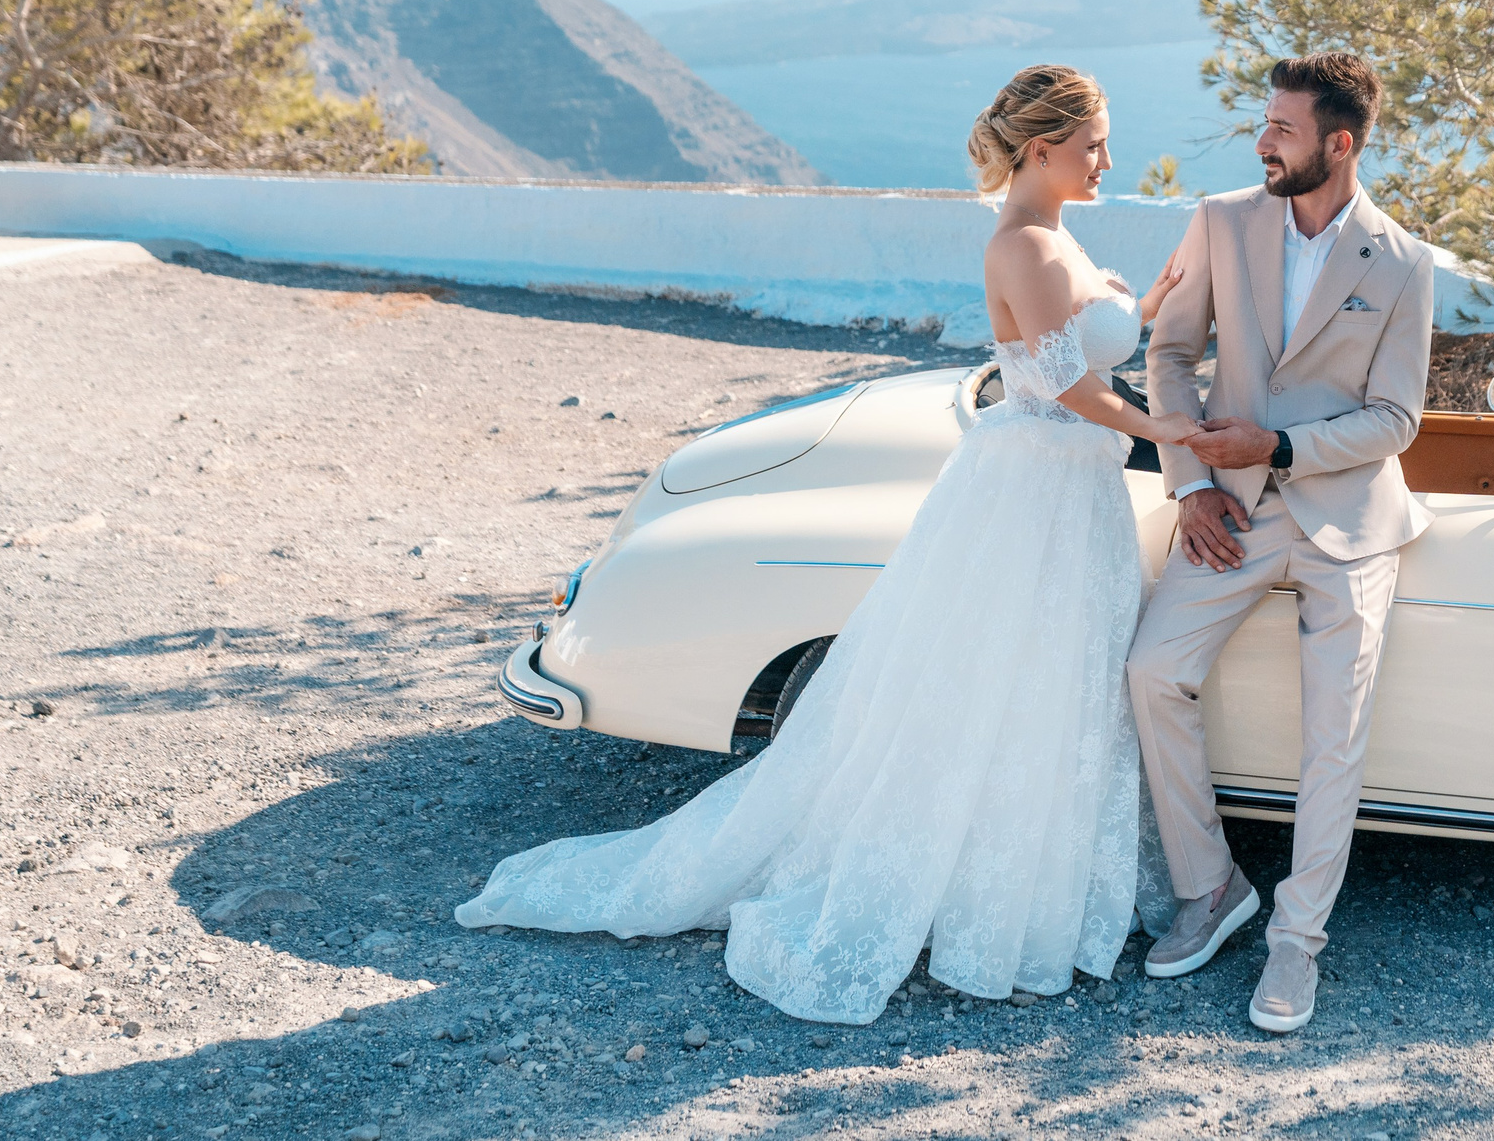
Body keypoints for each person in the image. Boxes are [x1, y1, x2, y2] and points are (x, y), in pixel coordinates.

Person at [455, 65, 1197, 1026]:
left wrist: (1147, 307)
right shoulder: (1025, 241)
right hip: (1040, 490)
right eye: (1095, 141)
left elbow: (1078, 346)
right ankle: (966, 885)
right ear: (1045, 146)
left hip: (1067, 484)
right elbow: (1067, 389)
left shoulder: (1055, 229)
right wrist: (1178, 432)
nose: (1107, 158)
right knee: (1004, 673)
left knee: (1047, 681)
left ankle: (1018, 869)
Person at [1127, 50, 1435, 1035]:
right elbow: (1169, 355)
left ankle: (1295, 949)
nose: (1263, 142)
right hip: (1230, 511)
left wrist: (1286, 445)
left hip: (1349, 523)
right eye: (1263, 126)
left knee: (1330, 742)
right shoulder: (1219, 221)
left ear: (1337, 146)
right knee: (1150, 672)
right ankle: (1210, 888)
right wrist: (1191, 485)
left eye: (1283, 130)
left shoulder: (1403, 261)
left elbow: (1395, 419)